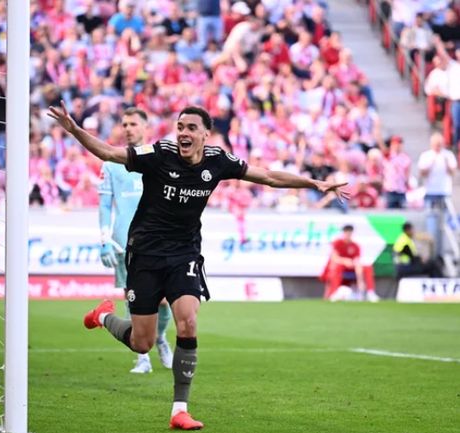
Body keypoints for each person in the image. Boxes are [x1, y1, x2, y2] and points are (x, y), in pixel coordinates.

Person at [48, 101, 349, 430]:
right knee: (142, 342)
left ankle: (179, 410)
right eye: (180, 127)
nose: (183, 133)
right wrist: (74, 130)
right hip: (145, 254)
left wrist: (314, 184)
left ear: (206, 134)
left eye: (191, 128)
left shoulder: (218, 160)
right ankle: (103, 316)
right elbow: (109, 153)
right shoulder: (159, 153)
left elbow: (268, 176)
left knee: (188, 322)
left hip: (184, 254)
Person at [98, 107, 173, 374]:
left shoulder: (160, 158)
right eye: (124, 124)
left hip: (158, 241)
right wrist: (105, 240)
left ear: (145, 127)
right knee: (134, 300)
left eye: (133, 124)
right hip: (125, 242)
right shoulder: (111, 162)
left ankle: (160, 338)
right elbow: (105, 204)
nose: (128, 128)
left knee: (164, 301)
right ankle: (142, 357)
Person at [321, 224, 379, 302]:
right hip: (340, 266)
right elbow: (334, 258)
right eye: (346, 232)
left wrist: (360, 280)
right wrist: (344, 261)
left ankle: (370, 292)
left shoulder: (355, 245)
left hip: (352, 267)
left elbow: (357, 262)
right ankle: (334, 293)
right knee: (337, 267)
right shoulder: (338, 243)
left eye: (350, 232)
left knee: (368, 267)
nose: (348, 234)